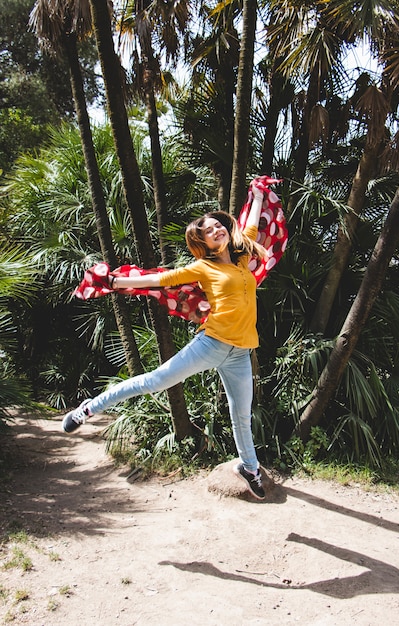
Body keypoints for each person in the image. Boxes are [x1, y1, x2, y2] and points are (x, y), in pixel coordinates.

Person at [62, 183, 268, 500]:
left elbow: (250, 228)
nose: (216, 231)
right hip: (211, 344)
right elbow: (164, 278)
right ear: (202, 243)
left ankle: (249, 467)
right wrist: (117, 281)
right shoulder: (204, 267)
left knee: (241, 414)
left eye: (218, 226)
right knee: (156, 381)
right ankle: (89, 408)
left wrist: (255, 197)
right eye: (208, 231)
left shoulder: (241, 260)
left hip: (241, 353)